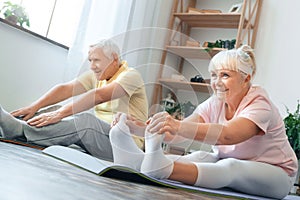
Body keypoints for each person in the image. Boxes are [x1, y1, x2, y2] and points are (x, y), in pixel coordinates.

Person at [109, 45, 298, 199]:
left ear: (245, 78)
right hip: (233, 162)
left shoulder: (260, 104)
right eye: (214, 75)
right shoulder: (216, 101)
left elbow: (227, 135)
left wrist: (176, 124)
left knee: (231, 167)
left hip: (278, 175)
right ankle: (136, 162)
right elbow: (178, 134)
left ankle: (162, 169)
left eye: (225, 75)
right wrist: (136, 128)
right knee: (199, 156)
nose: (216, 82)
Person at [0, 39, 148, 161]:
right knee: (55, 109)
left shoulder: (130, 76)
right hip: (106, 139)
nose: (92, 66)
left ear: (114, 58)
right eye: (90, 60)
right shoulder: (98, 75)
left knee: (85, 122)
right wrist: (34, 106)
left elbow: (99, 96)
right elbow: (65, 89)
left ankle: (19, 131)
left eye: (96, 60)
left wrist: (60, 114)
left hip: (126, 146)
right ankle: (19, 125)